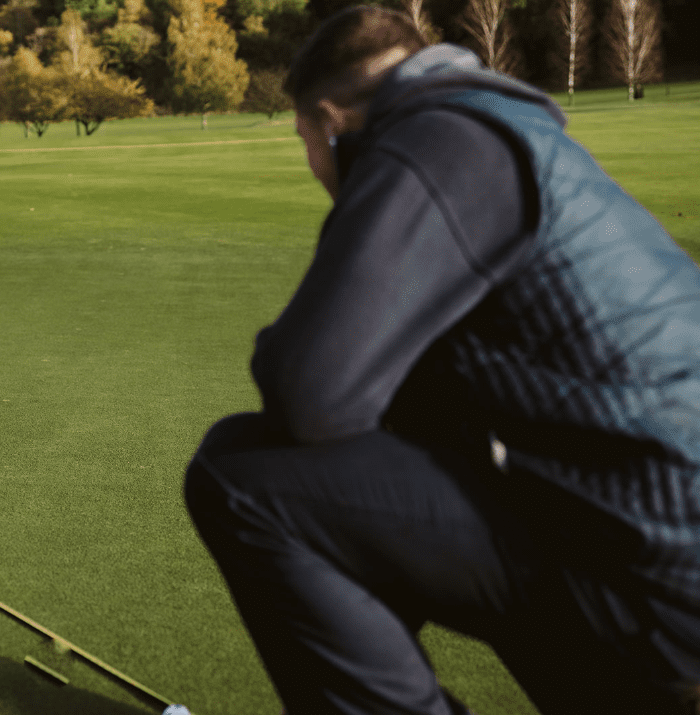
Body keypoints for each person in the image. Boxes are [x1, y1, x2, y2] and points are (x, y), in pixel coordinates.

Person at [185, 7, 700, 715]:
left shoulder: (439, 136)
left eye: (304, 139)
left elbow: (310, 394)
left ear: (330, 121)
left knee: (240, 472)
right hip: (649, 546)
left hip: (656, 568)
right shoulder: (505, 129)